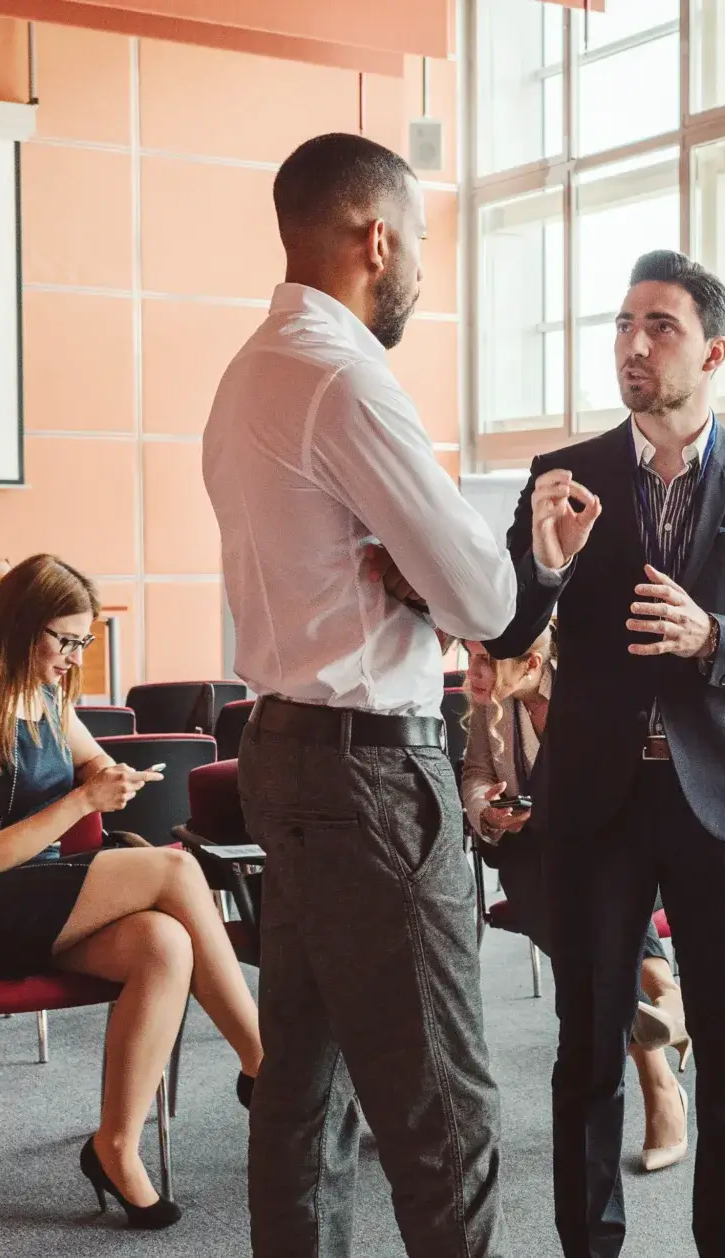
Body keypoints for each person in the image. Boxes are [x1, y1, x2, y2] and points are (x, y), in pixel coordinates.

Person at [203, 132, 518, 1257]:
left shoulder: (247, 372)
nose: (423, 270)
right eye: (422, 241)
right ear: (374, 238)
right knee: (444, 1107)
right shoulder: (346, 378)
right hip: (371, 769)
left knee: (304, 1085)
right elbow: (483, 594)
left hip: (281, 749)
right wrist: (499, 558)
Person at [486, 248, 725, 1258]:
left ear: (713, 349)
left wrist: (712, 640)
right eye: (624, 325)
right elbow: (506, 637)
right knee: (585, 1048)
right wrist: (543, 571)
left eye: (660, 327)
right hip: (590, 801)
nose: (633, 345)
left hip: (720, 800)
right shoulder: (568, 477)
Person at [0, 553, 265, 1232]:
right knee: (175, 871)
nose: (75, 656)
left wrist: (113, 776)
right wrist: (84, 800)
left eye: (83, 641)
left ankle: (115, 1148)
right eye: (66, 640)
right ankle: (264, 1065)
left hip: (39, 900)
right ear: (21, 629)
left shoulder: (48, 699)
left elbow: (93, 761)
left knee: (163, 944)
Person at [459, 634, 692, 1172]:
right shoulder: (492, 704)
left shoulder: (587, 689)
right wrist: (487, 811)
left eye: (482, 663)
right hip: (530, 855)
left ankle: (658, 1068)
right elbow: (475, 773)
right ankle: (666, 1008)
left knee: (600, 905)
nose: (471, 675)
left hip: (608, 841)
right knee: (573, 907)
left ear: (532, 662)